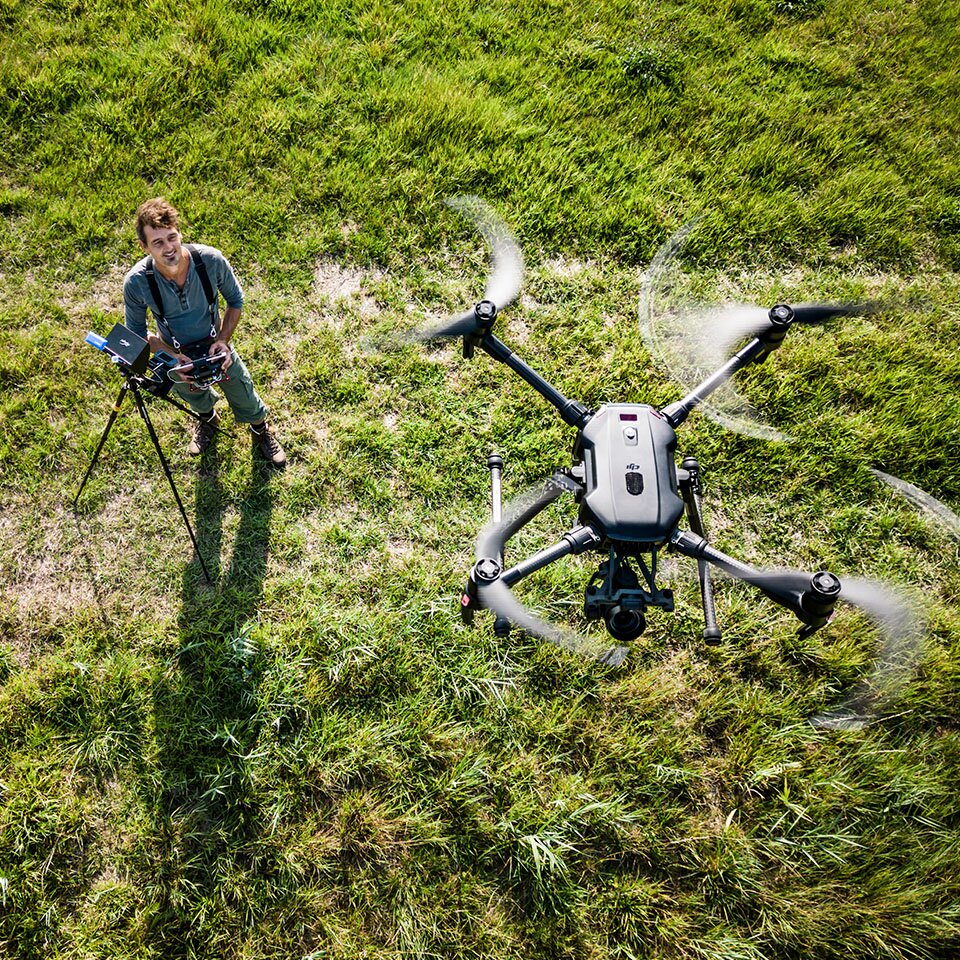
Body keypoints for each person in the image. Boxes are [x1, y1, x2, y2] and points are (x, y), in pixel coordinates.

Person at [122, 197, 286, 468]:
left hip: (214, 344)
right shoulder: (137, 282)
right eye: (158, 243)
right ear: (144, 246)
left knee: (242, 390)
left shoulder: (210, 260)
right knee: (192, 394)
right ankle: (207, 419)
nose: (168, 248)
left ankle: (260, 429)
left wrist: (222, 341)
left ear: (179, 233)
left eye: (172, 237)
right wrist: (171, 356)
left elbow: (235, 301)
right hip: (176, 354)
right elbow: (137, 336)